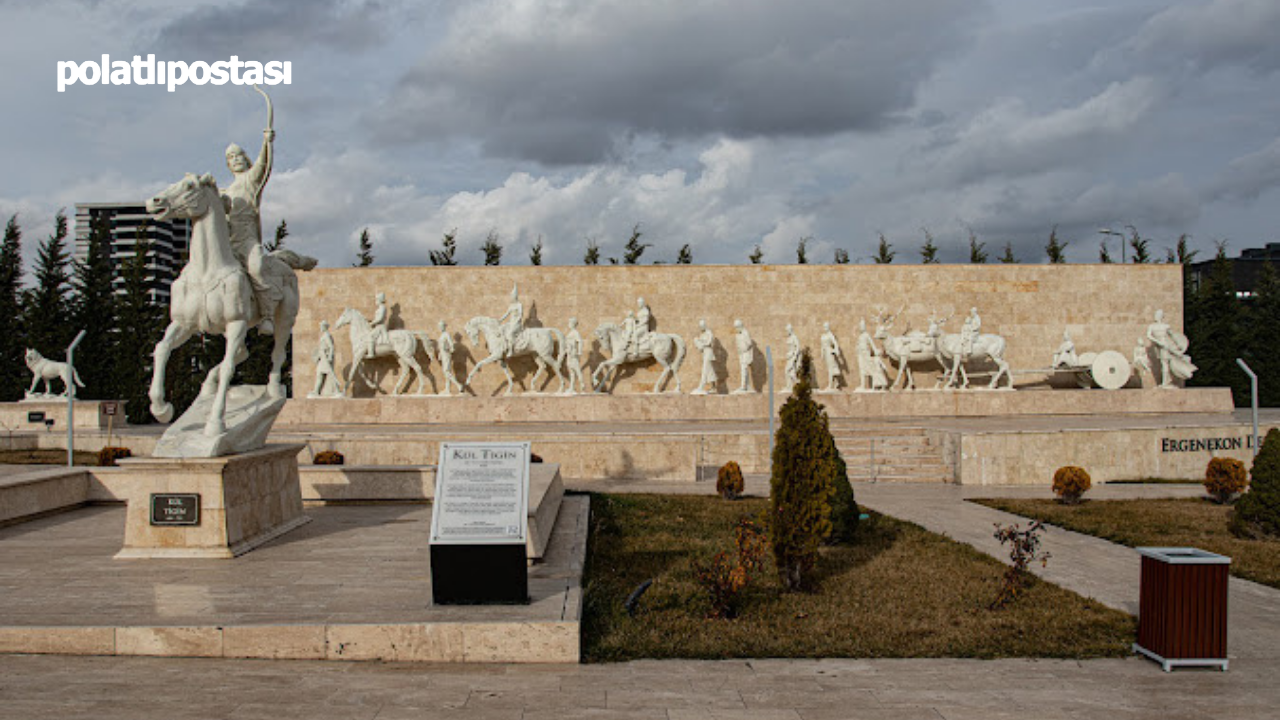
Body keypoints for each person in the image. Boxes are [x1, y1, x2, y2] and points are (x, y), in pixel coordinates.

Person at [222, 127, 281, 333]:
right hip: (230, 242)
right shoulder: (226, 191)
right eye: (231, 157)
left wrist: (266, 143)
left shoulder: (250, 180)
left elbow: (263, 166)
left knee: (256, 270)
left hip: (248, 240)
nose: (236, 159)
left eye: (238, 155)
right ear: (228, 164)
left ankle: (267, 316)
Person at [310, 320, 343, 397]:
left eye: (321, 326)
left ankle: (336, 391)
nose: (320, 328)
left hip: (325, 358)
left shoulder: (327, 336)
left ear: (324, 327)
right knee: (320, 373)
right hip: (322, 357)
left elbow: (331, 346)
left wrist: (330, 357)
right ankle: (316, 390)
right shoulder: (324, 335)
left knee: (329, 374)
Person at [856, 318, 888, 391]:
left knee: (870, 368)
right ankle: (862, 385)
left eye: (863, 326)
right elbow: (858, 345)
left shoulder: (866, 335)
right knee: (862, 369)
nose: (861, 327)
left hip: (865, 353)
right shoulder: (860, 336)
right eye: (860, 326)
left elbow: (872, 344)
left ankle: (876, 385)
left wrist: (876, 350)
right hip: (860, 354)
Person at [437, 320, 463, 395]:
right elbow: (441, 346)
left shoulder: (446, 334)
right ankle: (447, 389)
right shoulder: (442, 335)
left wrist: (450, 349)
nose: (440, 328)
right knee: (447, 372)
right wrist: (440, 354)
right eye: (439, 326)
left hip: (446, 354)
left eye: (441, 326)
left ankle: (458, 385)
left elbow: (451, 344)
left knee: (446, 371)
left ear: (444, 327)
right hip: (443, 354)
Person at [692, 319, 718, 395]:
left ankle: (701, 386)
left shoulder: (709, 333)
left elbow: (709, 342)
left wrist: (701, 342)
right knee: (710, 370)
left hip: (708, 352)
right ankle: (713, 387)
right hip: (705, 352)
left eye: (700, 326)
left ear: (704, 325)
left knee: (705, 369)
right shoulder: (702, 334)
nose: (700, 328)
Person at [497, 285, 523, 357]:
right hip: (511, 323)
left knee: (510, 333)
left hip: (517, 323)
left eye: (513, 296)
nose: (512, 298)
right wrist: (500, 320)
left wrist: (517, 320)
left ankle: (511, 350)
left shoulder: (519, 305)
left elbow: (521, 314)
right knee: (501, 329)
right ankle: (504, 347)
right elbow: (506, 314)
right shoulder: (511, 305)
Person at [733, 319, 755, 394]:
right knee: (744, 369)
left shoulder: (745, 333)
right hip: (742, 354)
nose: (736, 329)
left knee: (744, 369)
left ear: (740, 326)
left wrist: (744, 348)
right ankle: (746, 385)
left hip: (745, 353)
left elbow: (749, 343)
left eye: (736, 327)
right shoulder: (739, 334)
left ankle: (743, 386)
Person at [564, 317, 585, 394]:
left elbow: (580, 341)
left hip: (573, 353)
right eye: (569, 323)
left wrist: (579, 351)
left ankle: (582, 385)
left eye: (570, 323)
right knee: (571, 372)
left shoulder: (575, 332)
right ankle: (572, 387)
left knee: (577, 370)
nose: (569, 325)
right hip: (569, 353)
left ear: (573, 324)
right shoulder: (571, 332)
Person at [820, 322, 843, 391]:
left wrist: (835, 350)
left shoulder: (830, 335)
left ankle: (831, 385)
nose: (825, 328)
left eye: (826, 326)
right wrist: (822, 354)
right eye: (824, 327)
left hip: (829, 352)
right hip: (826, 353)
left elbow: (835, 343)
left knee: (831, 368)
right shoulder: (823, 336)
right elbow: (822, 346)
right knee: (830, 368)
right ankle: (835, 383)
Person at [365, 293, 389, 360]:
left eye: (376, 299)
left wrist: (372, 323)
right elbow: (376, 318)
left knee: (370, 336)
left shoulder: (382, 307)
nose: (376, 301)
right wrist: (369, 320)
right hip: (377, 326)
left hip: (380, 326)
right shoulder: (380, 308)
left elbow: (380, 318)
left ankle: (371, 353)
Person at [784, 324, 802, 391]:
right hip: (789, 356)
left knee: (788, 371)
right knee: (790, 372)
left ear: (790, 330)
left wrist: (795, 356)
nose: (787, 332)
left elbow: (798, 347)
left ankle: (796, 384)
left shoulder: (794, 337)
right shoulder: (789, 337)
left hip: (792, 356)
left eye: (787, 330)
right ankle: (790, 386)